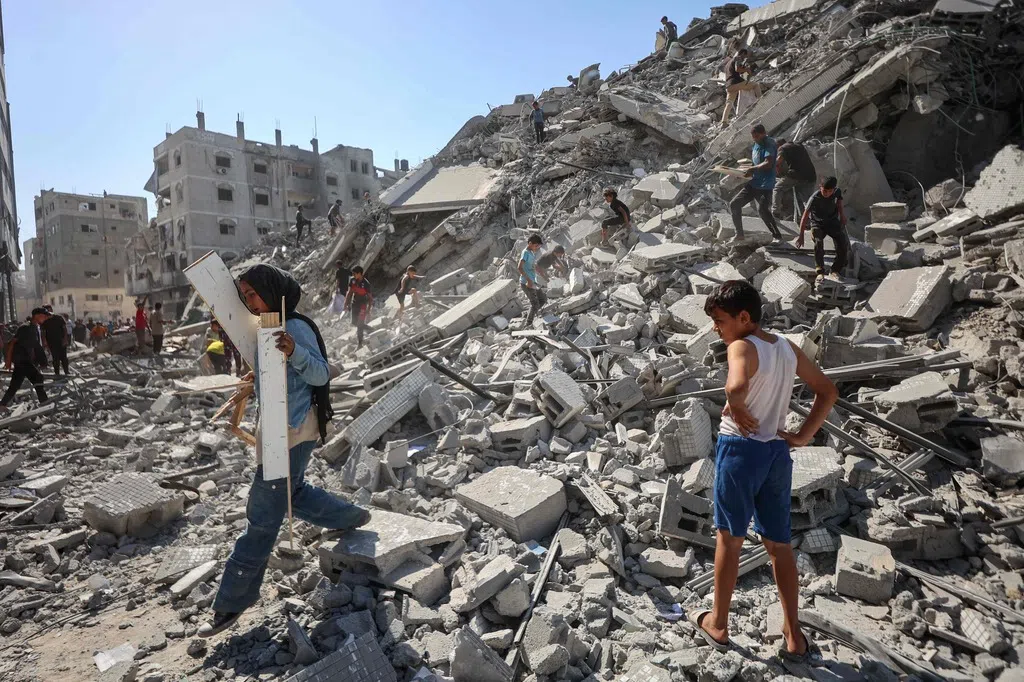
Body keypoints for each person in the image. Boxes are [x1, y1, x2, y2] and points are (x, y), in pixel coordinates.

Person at [198, 264, 369, 637]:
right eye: (245, 296)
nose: (249, 302)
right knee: (293, 493)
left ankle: (230, 602)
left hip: (292, 433)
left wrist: (294, 352)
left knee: (261, 519)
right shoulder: (267, 326)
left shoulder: (295, 327)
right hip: (277, 433)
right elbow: (278, 378)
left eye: (253, 294)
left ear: (271, 291)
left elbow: (321, 374)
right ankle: (351, 516)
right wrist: (257, 376)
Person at [691, 280, 837, 662]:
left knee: (729, 538)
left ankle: (718, 624)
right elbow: (828, 391)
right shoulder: (787, 347)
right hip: (775, 453)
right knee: (779, 545)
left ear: (743, 317)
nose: (715, 329)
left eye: (720, 321)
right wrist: (802, 436)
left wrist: (736, 405)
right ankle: (794, 636)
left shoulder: (741, 346)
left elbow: (735, 386)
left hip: (740, 452)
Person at [730, 124, 781, 244]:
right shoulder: (756, 144)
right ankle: (739, 234)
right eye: (753, 137)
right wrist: (743, 172)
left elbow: (768, 163)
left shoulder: (769, 143)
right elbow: (755, 162)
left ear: (764, 133)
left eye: (757, 136)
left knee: (763, 211)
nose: (755, 139)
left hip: (765, 185)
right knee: (734, 204)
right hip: (754, 183)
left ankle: (777, 236)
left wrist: (752, 169)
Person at [796, 176, 850, 283]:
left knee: (842, 242)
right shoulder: (814, 198)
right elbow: (805, 216)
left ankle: (835, 270)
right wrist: (801, 235)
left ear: (833, 190)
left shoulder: (837, 192)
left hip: (831, 221)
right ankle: (820, 271)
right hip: (817, 223)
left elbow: (839, 202)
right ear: (820, 187)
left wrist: (842, 215)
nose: (827, 193)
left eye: (830, 191)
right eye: (824, 191)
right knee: (818, 242)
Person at [1, 308, 49, 413]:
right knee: (38, 378)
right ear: (37, 315)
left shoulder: (35, 327)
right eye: (44, 316)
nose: (46, 318)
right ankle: (45, 403)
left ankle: (2, 404)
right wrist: (8, 360)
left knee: (15, 384)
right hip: (22, 359)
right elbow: (12, 343)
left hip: (24, 360)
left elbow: (35, 346)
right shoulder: (25, 328)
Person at [772, 140, 817, 222]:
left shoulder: (783, 148)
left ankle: (776, 212)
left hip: (797, 175)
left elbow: (778, 161)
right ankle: (812, 221)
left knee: (778, 188)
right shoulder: (798, 145)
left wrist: (769, 166)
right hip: (811, 176)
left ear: (778, 145)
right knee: (807, 201)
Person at [721, 48, 762, 125]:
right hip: (735, 83)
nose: (745, 58)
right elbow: (737, 69)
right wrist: (747, 69)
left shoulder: (728, 64)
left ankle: (724, 122)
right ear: (743, 53)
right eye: (745, 56)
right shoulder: (738, 58)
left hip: (729, 86)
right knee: (755, 85)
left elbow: (735, 72)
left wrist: (744, 70)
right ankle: (762, 100)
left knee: (729, 103)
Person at [518, 234, 547, 326]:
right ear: (530, 243)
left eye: (538, 246)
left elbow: (532, 266)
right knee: (535, 303)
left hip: (533, 281)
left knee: (542, 299)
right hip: (526, 283)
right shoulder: (525, 253)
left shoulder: (531, 252)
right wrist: (528, 280)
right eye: (536, 245)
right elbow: (519, 267)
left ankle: (530, 314)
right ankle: (528, 323)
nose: (537, 248)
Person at [344, 266, 373, 349]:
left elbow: (370, 298)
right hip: (355, 303)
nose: (353, 275)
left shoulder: (366, 284)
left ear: (360, 273)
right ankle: (370, 328)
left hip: (363, 305)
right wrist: (345, 304)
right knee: (354, 322)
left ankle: (360, 344)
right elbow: (349, 292)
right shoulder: (352, 280)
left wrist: (369, 309)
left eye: (355, 274)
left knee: (360, 325)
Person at [40, 309, 69, 377]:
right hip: (51, 342)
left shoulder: (59, 318)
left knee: (64, 357)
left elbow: (64, 329)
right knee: (55, 358)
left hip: (61, 341)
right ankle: (57, 373)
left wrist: (65, 339)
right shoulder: (44, 320)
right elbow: (43, 332)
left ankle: (66, 371)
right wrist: (45, 342)